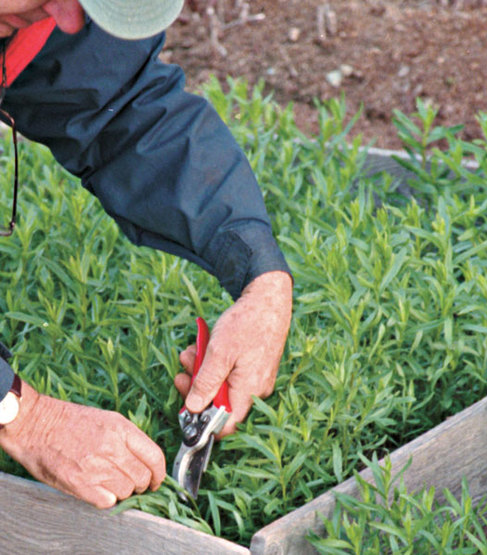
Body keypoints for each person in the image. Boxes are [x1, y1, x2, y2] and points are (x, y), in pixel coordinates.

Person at [0, 0, 293, 509]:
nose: (68, 20)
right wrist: (24, 416)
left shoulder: (46, 12)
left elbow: (125, 108)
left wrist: (262, 280)